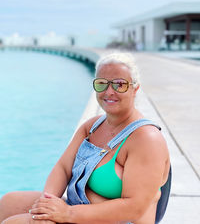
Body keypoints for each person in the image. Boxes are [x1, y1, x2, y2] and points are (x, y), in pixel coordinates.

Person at [0, 52, 171, 224]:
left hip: (115, 221)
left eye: (119, 84)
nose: (109, 91)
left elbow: (134, 208)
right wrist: (48, 203)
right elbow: (63, 168)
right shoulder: (92, 126)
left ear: (135, 88)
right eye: (102, 84)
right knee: (8, 202)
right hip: (78, 209)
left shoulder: (146, 139)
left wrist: (67, 214)